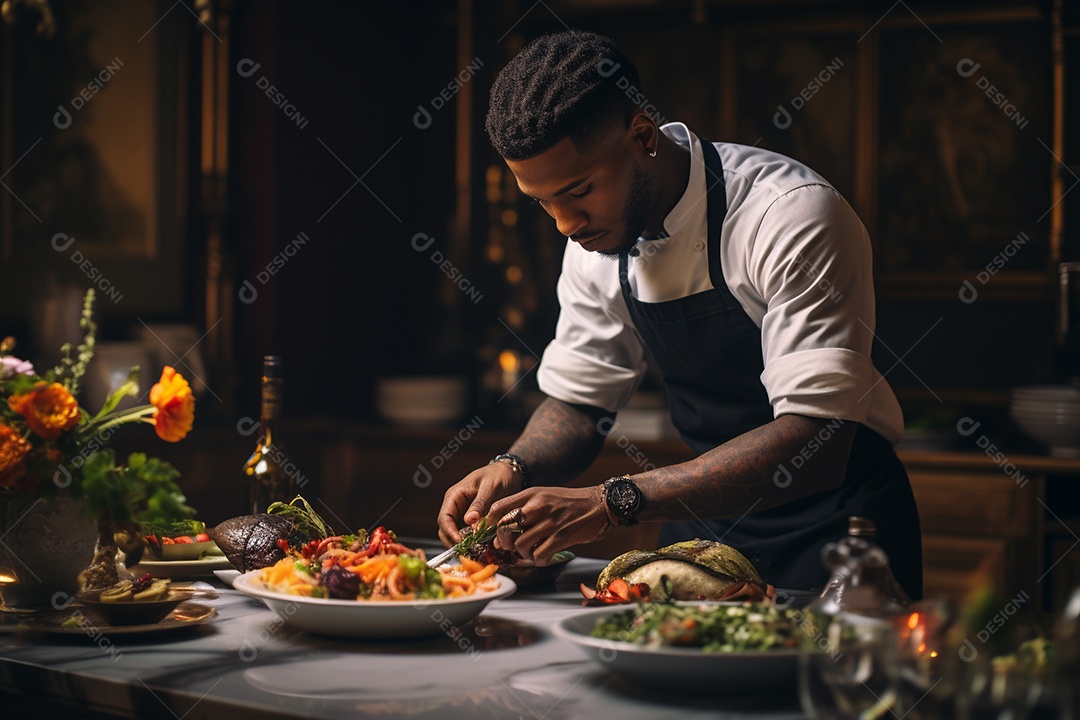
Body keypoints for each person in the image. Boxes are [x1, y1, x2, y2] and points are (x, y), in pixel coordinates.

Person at [436, 29, 922, 596]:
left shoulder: (787, 216)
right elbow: (579, 400)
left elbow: (817, 439)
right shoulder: (593, 243)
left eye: (579, 190)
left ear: (642, 135)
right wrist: (513, 465)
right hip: (706, 535)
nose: (565, 224)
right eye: (543, 202)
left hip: (840, 534)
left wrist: (612, 500)